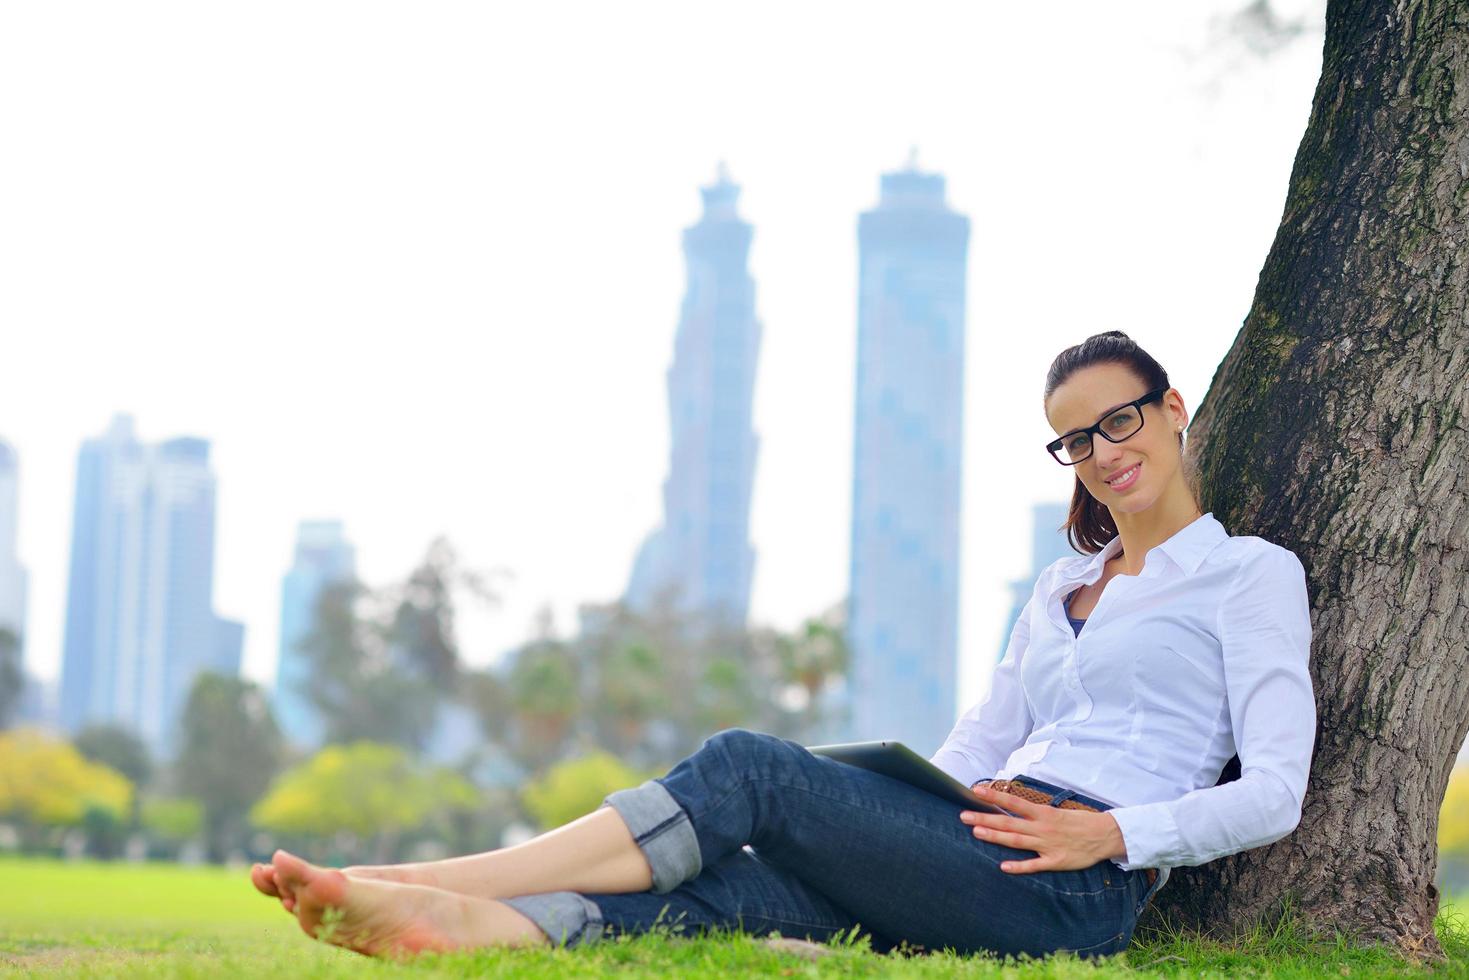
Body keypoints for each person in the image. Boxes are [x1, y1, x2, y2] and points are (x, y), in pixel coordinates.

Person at [249, 330, 1316, 960]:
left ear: (1171, 410)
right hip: (968, 844)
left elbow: (1274, 788)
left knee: (747, 765)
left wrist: (1111, 836)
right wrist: (889, 816)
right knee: (729, 883)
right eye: (1075, 440)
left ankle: (430, 877)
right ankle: (462, 931)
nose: (1100, 453)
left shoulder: (1248, 574)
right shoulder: (1059, 587)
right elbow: (980, 735)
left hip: (1071, 887)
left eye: (1118, 422)